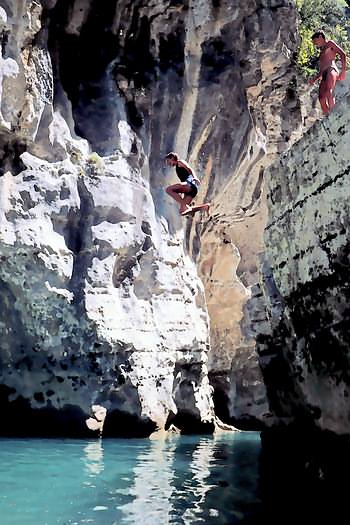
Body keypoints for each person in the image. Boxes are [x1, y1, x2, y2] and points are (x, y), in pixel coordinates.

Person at [308, 30, 347, 114]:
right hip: (324, 73)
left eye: (315, 41)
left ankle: (334, 113)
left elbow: (342, 54)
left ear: (320, 37)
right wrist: (314, 79)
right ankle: (328, 116)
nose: (315, 44)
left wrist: (343, 71)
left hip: (331, 70)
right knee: (321, 98)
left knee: (329, 92)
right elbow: (321, 69)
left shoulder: (330, 43)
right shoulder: (321, 53)